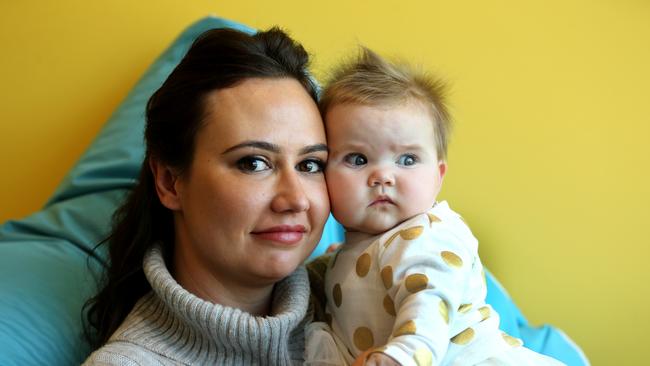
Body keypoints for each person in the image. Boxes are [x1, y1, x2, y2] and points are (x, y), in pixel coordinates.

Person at [82, 27, 331, 365]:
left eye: (311, 164)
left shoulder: (367, 295)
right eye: (253, 162)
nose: (296, 199)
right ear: (170, 182)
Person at [304, 48, 564, 365]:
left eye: (407, 160)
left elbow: (429, 303)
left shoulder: (428, 238)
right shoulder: (350, 255)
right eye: (357, 159)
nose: (383, 176)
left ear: (437, 176)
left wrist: (402, 356)